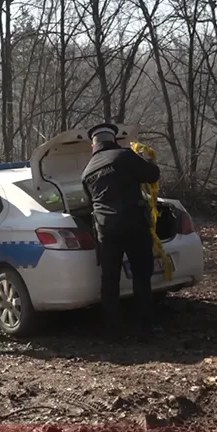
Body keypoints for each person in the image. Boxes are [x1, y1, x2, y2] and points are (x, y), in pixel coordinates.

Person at [80, 123, 161, 339]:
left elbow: (91, 202)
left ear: (93, 146)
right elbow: (152, 175)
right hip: (134, 224)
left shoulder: (87, 172)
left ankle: (113, 330)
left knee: (110, 280)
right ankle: (144, 327)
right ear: (113, 140)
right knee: (142, 277)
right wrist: (148, 160)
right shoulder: (124, 156)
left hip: (106, 231)